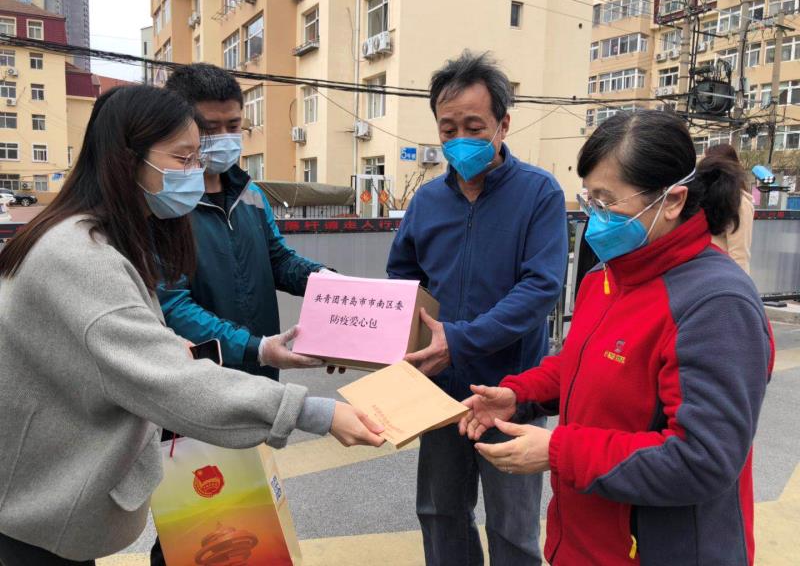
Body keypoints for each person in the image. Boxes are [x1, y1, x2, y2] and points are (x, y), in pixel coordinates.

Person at [0, 85, 384, 565]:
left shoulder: (239, 199)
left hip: (53, 483)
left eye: (206, 150)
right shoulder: (82, 257)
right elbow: (169, 369)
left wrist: (340, 293)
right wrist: (313, 410)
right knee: (197, 535)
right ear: (128, 159)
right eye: (184, 158)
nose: (197, 171)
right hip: (44, 497)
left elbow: (278, 261)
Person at [460, 110, 773, 566]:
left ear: (672, 200)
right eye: (589, 201)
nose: (595, 220)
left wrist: (559, 451)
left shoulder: (717, 305)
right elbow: (581, 363)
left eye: (607, 204)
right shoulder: (607, 277)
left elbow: (702, 458)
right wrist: (518, 395)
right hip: (585, 543)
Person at [387, 51, 568, 565]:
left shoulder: (539, 194)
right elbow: (403, 279)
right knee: (440, 513)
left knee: (512, 526)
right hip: (439, 391)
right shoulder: (427, 201)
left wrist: (460, 340)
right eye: (448, 129)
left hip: (512, 390)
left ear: (503, 125)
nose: (459, 140)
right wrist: (379, 338)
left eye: (474, 127)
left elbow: (540, 288)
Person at [158, 63, 328, 381]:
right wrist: (253, 348)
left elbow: (278, 260)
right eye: (209, 128)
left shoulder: (250, 194)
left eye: (233, 125)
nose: (224, 137)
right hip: (203, 378)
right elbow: (172, 305)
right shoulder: (166, 203)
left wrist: (325, 281)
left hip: (262, 371)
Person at [703, 143, 755, 274]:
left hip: (722, 274)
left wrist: (738, 284)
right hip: (702, 271)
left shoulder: (740, 203)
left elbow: (739, 254)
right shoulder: (705, 197)